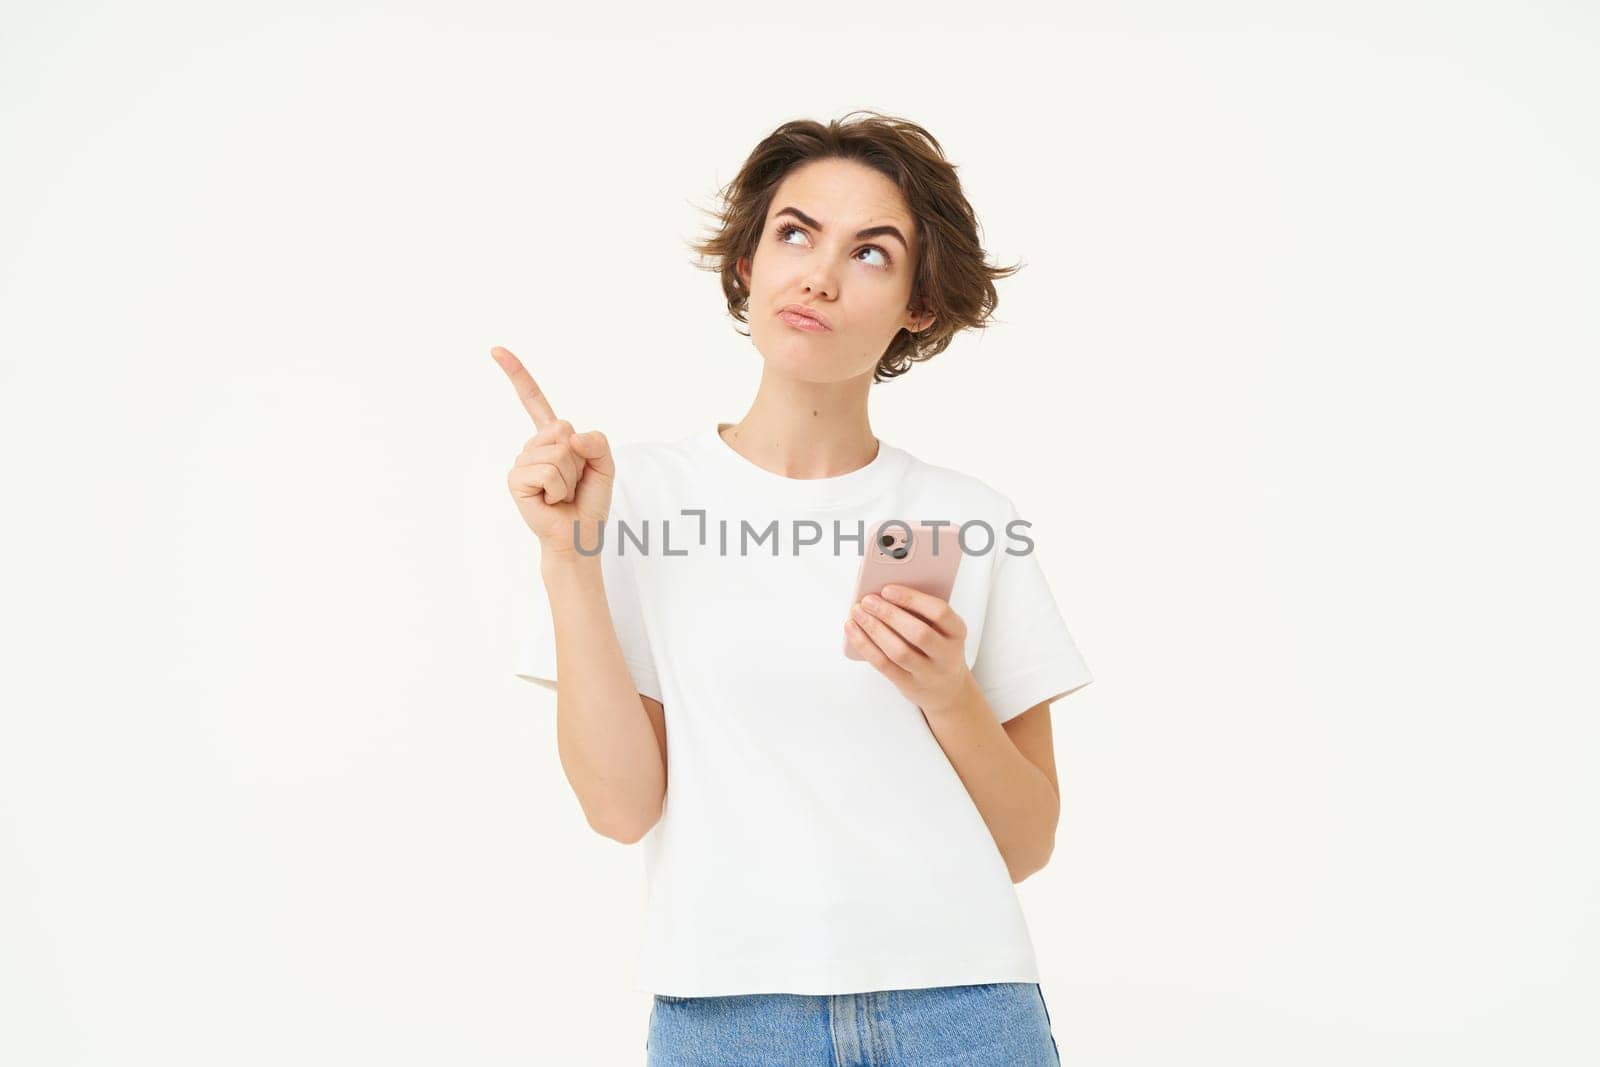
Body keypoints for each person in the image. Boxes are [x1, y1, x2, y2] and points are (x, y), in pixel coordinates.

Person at [494, 110, 1092, 1066]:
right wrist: (569, 558)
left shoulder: (965, 516)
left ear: (919, 307)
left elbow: (1026, 843)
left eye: (871, 253)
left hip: (964, 1009)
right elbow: (619, 808)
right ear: (748, 263)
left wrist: (946, 694)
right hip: (730, 1017)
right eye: (796, 233)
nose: (818, 273)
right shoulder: (629, 497)